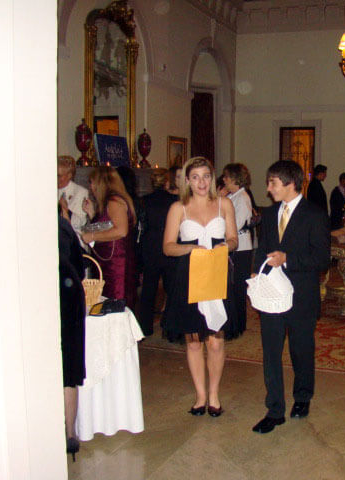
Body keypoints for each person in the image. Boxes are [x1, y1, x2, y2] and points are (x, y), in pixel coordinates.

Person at [252, 160, 330, 434]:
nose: (268, 188)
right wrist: (257, 273)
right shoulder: (269, 213)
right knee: (271, 352)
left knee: (301, 350)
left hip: (301, 296)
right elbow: (262, 248)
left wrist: (288, 259)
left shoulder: (315, 214)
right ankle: (274, 410)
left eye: (272, 183)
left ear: (290, 183)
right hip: (271, 295)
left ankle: (303, 396)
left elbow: (322, 258)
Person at [162, 157, 238, 417]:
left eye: (206, 176)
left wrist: (226, 245)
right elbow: (168, 247)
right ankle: (200, 396)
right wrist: (191, 248)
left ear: (212, 178)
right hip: (189, 276)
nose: (201, 182)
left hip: (217, 272)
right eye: (195, 177)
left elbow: (234, 239)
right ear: (187, 180)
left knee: (216, 341)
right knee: (194, 341)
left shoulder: (224, 204)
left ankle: (214, 394)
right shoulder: (178, 208)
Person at [81, 166, 138, 310]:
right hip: (110, 261)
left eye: (92, 182)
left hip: (115, 264)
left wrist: (92, 236)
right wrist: (92, 213)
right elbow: (107, 226)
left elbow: (121, 231)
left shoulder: (114, 201)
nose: (91, 187)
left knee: (114, 301)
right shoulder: (111, 201)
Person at [58, 205, 86, 461]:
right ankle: (70, 433)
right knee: (69, 367)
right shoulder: (63, 225)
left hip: (54, 293)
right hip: (69, 292)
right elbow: (80, 265)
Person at [138, 168, 178, 336]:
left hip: (150, 246)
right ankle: (172, 328)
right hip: (169, 245)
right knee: (172, 288)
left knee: (149, 289)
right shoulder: (174, 200)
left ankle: (145, 327)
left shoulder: (144, 201)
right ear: (167, 182)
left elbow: (142, 225)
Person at [223, 163, 253, 338]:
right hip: (234, 246)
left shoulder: (242, 198)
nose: (224, 180)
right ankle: (232, 324)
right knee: (231, 287)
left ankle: (238, 326)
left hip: (240, 248)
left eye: (226, 177)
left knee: (238, 288)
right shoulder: (233, 196)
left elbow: (237, 223)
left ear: (235, 178)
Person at [57, 155, 89, 235]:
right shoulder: (48, 191)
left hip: (72, 236)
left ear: (69, 175)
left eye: (59, 176)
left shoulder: (80, 192)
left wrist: (65, 209)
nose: (55, 178)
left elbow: (79, 222)